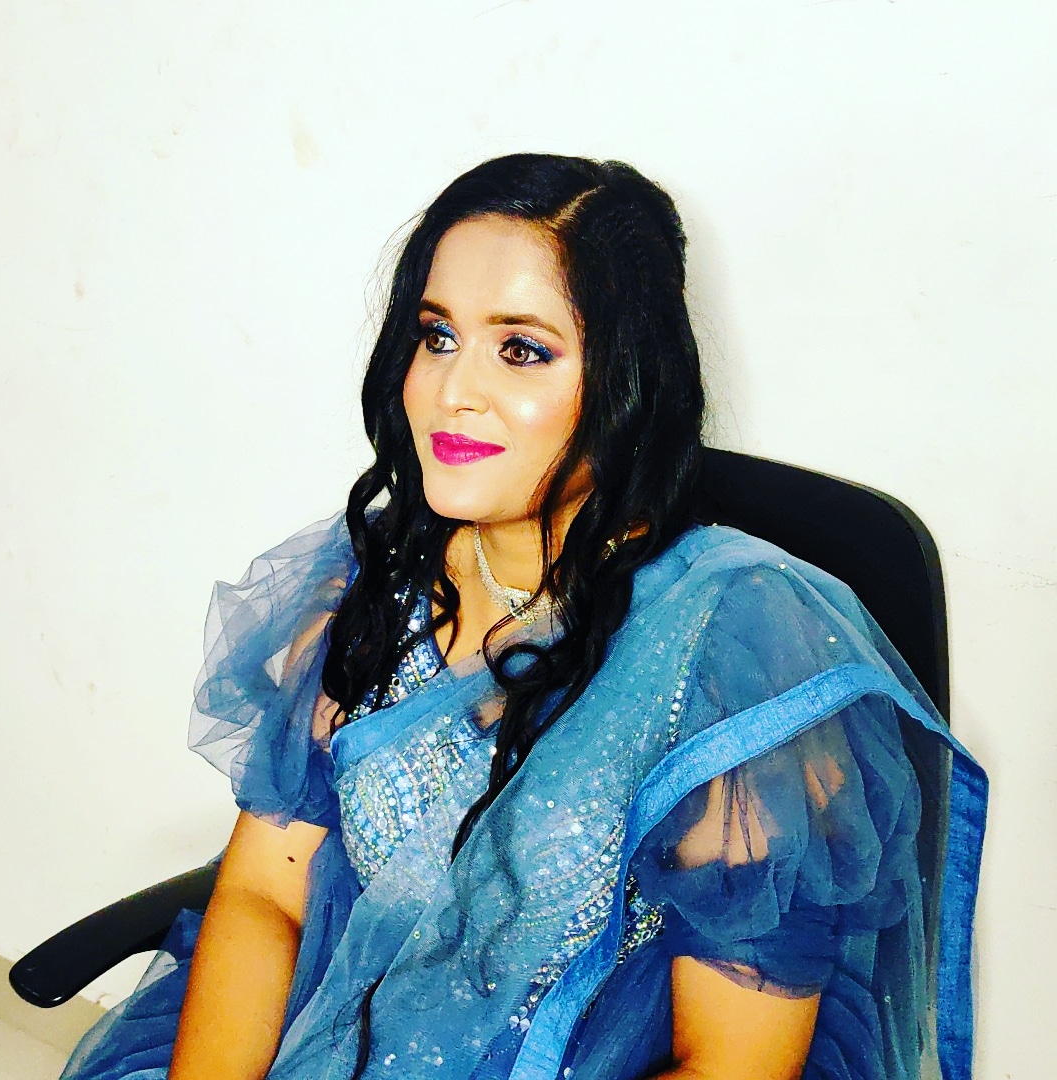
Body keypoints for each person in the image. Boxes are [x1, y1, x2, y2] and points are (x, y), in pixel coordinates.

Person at [62, 154, 986, 1080]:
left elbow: (729, 1065)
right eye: (437, 336)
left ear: (626, 380)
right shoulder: (369, 583)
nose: (450, 391)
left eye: (522, 350)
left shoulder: (724, 652)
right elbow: (269, 892)